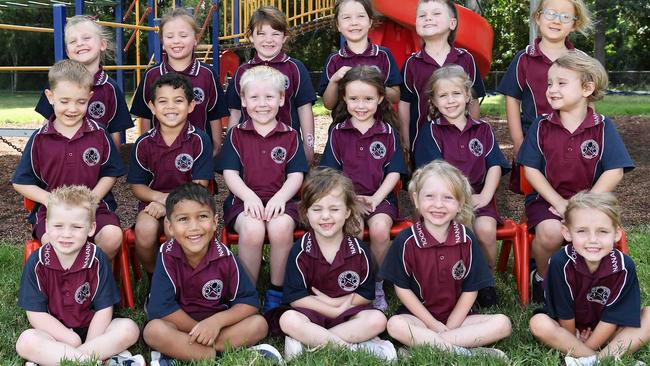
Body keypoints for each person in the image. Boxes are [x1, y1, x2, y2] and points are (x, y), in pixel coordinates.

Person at [516, 52, 634, 303]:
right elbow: (531, 170)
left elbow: (615, 170)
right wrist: (560, 204)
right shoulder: (541, 125)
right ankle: (542, 279)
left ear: (587, 88)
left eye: (561, 83)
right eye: (549, 83)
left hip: (593, 202)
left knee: (594, 232)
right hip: (548, 201)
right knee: (550, 233)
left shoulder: (603, 126)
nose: (552, 89)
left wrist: (585, 204)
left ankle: (590, 282)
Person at [381, 160, 512, 359]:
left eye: (448, 198)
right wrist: (433, 325)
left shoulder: (467, 239)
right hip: (418, 318)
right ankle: (467, 352)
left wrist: (449, 327)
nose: (438, 205)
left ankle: (423, 345)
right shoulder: (406, 240)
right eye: (430, 196)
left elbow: (471, 289)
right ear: (416, 199)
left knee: (503, 323)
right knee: (394, 325)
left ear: (460, 203)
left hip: (459, 319)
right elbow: (402, 289)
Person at [143, 183, 282, 364]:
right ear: (169, 227)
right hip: (181, 326)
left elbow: (249, 303)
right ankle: (214, 354)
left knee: (259, 325)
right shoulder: (166, 255)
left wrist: (215, 323)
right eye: (183, 219)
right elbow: (161, 308)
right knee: (153, 331)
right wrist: (200, 330)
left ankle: (186, 353)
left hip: (219, 327)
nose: (194, 227)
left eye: (202, 217)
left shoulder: (225, 257)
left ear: (215, 222)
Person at [413, 65, 510, 307]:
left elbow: (495, 165)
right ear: (434, 101)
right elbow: (432, 175)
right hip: (443, 201)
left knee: (486, 230)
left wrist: (486, 195)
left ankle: (485, 281)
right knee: (459, 228)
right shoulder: (431, 132)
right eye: (443, 96)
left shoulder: (483, 129)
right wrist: (456, 201)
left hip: (478, 198)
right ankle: (456, 281)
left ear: (468, 96)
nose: (450, 100)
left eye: (456, 94)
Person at [16, 185, 143, 366]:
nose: (66, 234)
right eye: (58, 226)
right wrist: (70, 339)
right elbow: (36, 314)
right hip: (55, 334)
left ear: (91, 228)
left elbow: (104, 309)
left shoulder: (96, 258)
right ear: (46, 226)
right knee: (26, 341)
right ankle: (92, 361)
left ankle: (73, 359)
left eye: (76, 227)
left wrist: (90, 342)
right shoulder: (37, 262)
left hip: (95, 331)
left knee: (129, 329)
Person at [279, 168, 396, 362]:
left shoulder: (358, 250)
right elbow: (295, 297)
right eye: (317, 209)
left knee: (378, 320)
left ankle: (310, 342)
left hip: (348, 315)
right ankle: (351, 348)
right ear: (306, 212)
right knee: (288, 320)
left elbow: (366, 294)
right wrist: (331, 308)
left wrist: (338, 307)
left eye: (334, 209)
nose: (326, 216)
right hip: (311, 314)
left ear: (348, 211)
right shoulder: (300, 251)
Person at [12, 59, 125, 259]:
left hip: (94, 208)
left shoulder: (99, 134)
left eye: (80, 102)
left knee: (112, 236)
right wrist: (50, 200)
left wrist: (92, 200)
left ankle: (95, 279)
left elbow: (110, 173)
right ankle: (65, 285)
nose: (72, 108)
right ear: (50, 97)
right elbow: (21, 182)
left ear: (89, 98)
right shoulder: (40, 139)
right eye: (64, 101)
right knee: (53, 241)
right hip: (53, 213)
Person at [217, 65, 308, 313]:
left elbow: (296, 175)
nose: (262, 104)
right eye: (254, 97)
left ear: (281, 99)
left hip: (283, 201)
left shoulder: (290, 135)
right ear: (244, 101)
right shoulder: (236, 135)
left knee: (280, 228)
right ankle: (246, 293)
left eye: (269, 97)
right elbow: (230, 174)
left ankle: (276, 293)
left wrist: (280, 197)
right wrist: (248, 197)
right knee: (254, 229)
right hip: (243, 203)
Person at [320, 65, 407, 311]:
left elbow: (394, 172)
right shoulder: (338, 132)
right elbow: (331, 175)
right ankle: (353, 284)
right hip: (345, 200)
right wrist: (350, 200)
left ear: (380, 99)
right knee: (354, 228)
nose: (361, 105)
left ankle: (376, 284)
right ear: (344, 99)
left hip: (381, 199)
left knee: (380, 229)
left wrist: (376, 198)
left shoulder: (387, 132)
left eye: (368, 99)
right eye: (354, 99)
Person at [529, 191, 650, 366]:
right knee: (538, 324)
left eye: (602, 231)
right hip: (568, 331)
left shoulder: (624, 266)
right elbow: (564, 313)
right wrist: (574, 339)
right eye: (582, 231)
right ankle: (604, 358)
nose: (592, 240)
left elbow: (613, 317)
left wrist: (590, 343)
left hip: (610, 330)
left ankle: (590, 360)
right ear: (567, 232)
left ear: (616, 234)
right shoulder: (559, 262)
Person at [497, 0, 593, 193]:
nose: (557, 20)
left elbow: (587, 103)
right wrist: (518, 142)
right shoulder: (524, 58)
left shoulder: (581, 61)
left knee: (574, 192)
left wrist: (591, 137)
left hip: (571, 141)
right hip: (534, 142)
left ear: (574, 24)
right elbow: (512, 100)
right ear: (538, 17)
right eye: (550, 13)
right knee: (533, 196)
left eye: (565, 16)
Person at [127, 73, 214, 276]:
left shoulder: (200, 140)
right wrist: (160, 199)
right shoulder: (143, 143)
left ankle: (185, 279)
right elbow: (137, 187)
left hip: (191, 204)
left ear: (191, 106)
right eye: (163, 101)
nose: (170, 107)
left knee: (174, 229)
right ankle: (157, 280)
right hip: (154, 205)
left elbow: (199, 186)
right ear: (152, 107)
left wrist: (170, 204)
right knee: (144, 231)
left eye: (178, 101)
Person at [130, 7, 228, 156]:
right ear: (162, 41)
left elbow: (215, 113)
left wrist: (215, 148)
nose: (176, 41)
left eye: (183, 35)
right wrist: (146, 149)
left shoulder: (207, 74)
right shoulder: (152, 74)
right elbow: (145, 115)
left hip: (199, 153)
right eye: (169, 36)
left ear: (195, 38)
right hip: (160, 154)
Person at [226, 6, 317, 162]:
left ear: (284, 37)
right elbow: (235, 113)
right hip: (248, 148)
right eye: (261, 34)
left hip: (288, 148)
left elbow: (304, 109)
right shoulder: (243, 71)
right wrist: (229, 148)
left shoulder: (295, 68)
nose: (268, 40)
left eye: (275, 34)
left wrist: (309, 147)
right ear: (250, 37)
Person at [398, 0, 486, 151]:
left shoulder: (466, 59)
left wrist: (473, 135)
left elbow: (473, 101)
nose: (428, 18)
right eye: (422, 15)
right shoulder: (411, 63)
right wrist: (406, 142)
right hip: (423, 145)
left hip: (461, 143)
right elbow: (404, 104)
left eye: (436, 13)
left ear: (452, 24)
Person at [34, 15, 133, 148]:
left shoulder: (111, 88)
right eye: (73, 41)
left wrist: (110, 166)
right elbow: (46, 124)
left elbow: (115, 134)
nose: (80, 43)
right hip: (61, 159)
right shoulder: (57, 82)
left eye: (86, 38)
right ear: (68, 52)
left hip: (96, 162)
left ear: (102, 44)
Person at [319, 0, 401, 110]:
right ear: (338, 25)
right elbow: (328, 105)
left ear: (370, 22)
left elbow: (396, 97)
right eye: (347, 17)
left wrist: (373, 85)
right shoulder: (334, 60)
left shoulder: (383, 55)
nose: (354, 22)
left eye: (360, 16)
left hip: (381, 125)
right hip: (343, 126)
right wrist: (334, 80)